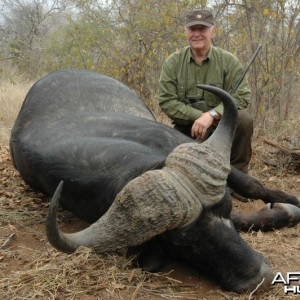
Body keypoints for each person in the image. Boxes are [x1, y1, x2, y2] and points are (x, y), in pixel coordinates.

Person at [158, 9, 253, 173]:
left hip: (220, 126)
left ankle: (239, 175)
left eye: (202, 29)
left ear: (212, 31)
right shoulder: (173, 62)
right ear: (185, 32)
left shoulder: (228, 61)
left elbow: (242, 96)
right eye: (192, 29)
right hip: (188, 128)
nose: (196, 34)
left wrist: (212, 115)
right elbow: (167, 101)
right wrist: (198, 117)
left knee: (243, 119)